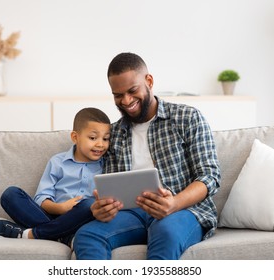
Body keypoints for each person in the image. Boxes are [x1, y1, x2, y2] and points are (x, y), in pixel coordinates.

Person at [73, 52, 221, 260]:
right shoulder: (113, 134)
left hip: (184, 210)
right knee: (87, 236)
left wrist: (175, 203)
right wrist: (103, 208)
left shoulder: (187, 118)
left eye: (132, 91)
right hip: (132, 214)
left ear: (149, 81)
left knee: (166, 232)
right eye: (118, 95)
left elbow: (210, 176)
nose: (126, 101)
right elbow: (111, 185)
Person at [0, 107, 111, 245]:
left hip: (81, 220)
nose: (101, 144)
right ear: (75, 137)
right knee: (10, 194)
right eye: (93, 138)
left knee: (89, 205)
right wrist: (61, 208)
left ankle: (31, 234)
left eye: (106, 138)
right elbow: (41, 198)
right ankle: (63, 237)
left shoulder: (107, 165)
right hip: (50, 214)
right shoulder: (58, 162)